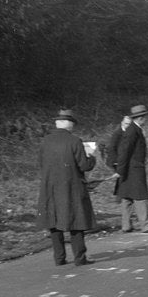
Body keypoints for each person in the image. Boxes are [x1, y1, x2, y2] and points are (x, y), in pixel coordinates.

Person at [36, 109, 97, 266]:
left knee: (54, 222)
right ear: (68, 124)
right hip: (71, 186)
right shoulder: (74, 141)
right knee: (76, 221)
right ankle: (79, 258)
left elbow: (41, 164)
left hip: (50, 187)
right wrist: (92, 157)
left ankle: (59, 258)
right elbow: (84, 166)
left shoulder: (45, 141)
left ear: (57, 123)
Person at [114, 104, 148, 233]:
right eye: (145, 117)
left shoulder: (133, 130)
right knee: (140, 197)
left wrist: (121, 170)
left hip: (129, 168)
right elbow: (124, 151)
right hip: (134, 169)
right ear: (141, 118)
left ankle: (126, 226)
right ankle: (146, 225)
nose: (146, 120)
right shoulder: (133, 131)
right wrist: (120, 170)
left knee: (127, 197)